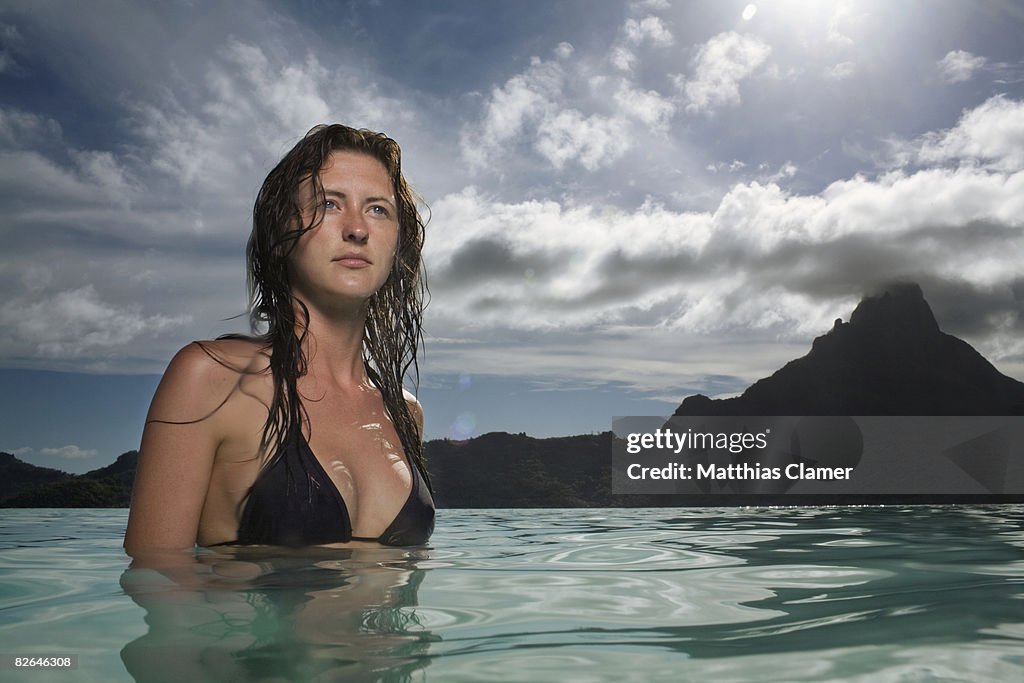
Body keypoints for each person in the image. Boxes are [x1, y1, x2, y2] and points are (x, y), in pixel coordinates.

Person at [124, 124, 434, 555]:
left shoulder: (405, 413)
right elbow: (156, 581)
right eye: (329, 203)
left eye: (378, 210)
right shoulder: (210, 379)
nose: (358, 229)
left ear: (398, 244)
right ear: (278, 234)